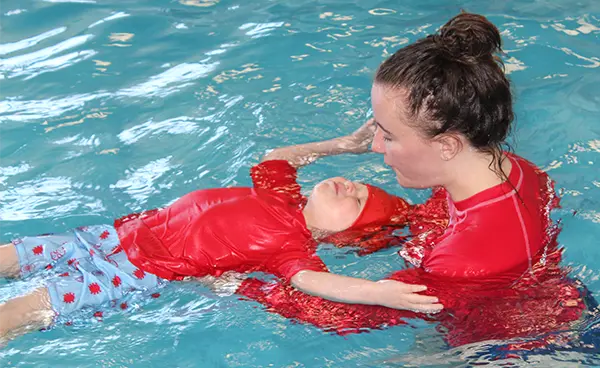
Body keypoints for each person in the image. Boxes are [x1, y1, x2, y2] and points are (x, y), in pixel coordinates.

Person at [222, 12, 592, 346]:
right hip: (565, 302)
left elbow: (343, 317)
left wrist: (236, 284)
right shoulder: (512, 168)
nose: (378, 146)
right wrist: (346, 150)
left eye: (390, 135)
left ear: (447, 144)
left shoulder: (464, 261)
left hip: (519, 349)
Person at [0, 121, 442, 343]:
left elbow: (314, 282)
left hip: (136, 272)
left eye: (359, 203)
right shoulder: (280, 193)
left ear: (345, 236)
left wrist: (379, 293)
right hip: (114, 235)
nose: (353, 187)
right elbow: (281, 155)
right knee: (12, 254)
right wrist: (340, 146)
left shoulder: (290, 248)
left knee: (25, 308)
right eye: (360, 185)